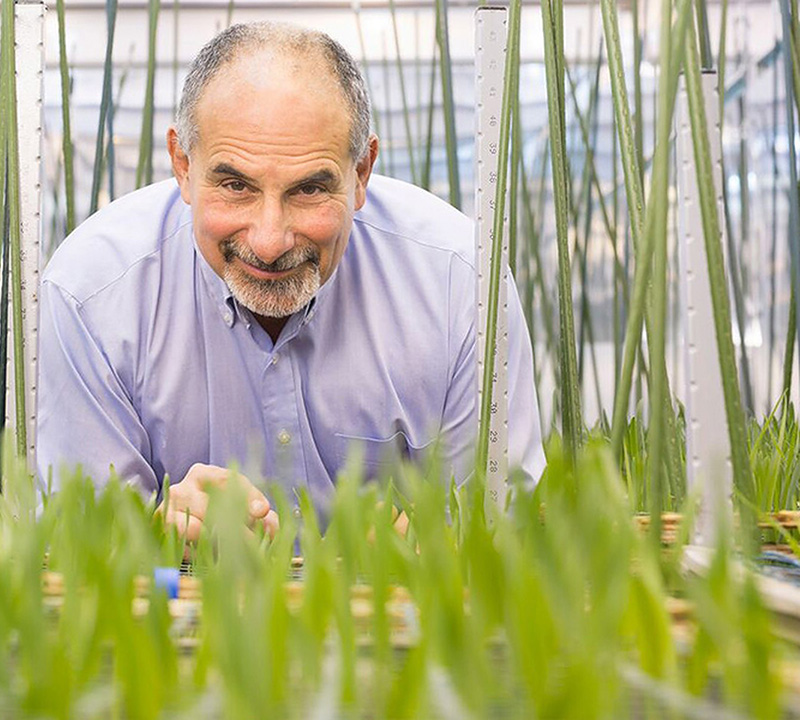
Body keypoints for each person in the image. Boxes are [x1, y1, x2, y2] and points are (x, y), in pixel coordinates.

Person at [36, 21, 544, 538]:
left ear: (361, 173)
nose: (269, 240)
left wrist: (438, 545)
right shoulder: (90, 296)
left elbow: (504, 531)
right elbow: (84, 552)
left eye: (308, 190)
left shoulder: (461, 281)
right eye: (235, 185)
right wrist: (159, 534)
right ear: (182, 166)